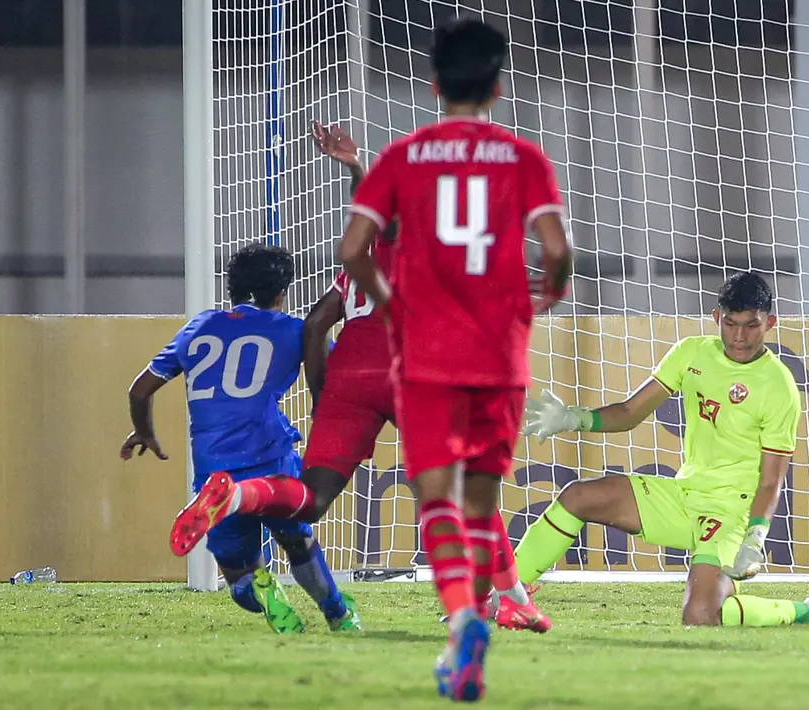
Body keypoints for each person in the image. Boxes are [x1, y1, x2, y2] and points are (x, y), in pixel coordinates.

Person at [170, 119, 553, 638]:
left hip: (351, 369)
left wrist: (324, 395)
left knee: (312, 496)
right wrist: (354, 168)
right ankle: (509, 600)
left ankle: (236, 496)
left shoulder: (355, 271)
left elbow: (316, 323)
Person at [341, 17, 571, 702]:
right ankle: (471, 625)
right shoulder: (524, 158)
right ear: (497, 87)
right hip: (499, 355)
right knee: (479, 503)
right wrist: (548, 296)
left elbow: (354, 249)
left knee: (433, 496)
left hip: (427, 353)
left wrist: (390, 307)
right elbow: (556, 250)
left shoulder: (403, 157)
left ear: (434, 83)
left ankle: (463, 623)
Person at [513, 272, 809, 629]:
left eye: (751, 325)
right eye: (731, 323)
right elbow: (630, 412)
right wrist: (574, 418)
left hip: (727, 512)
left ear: (770, 323)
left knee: (700, 616)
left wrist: (754, 536)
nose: (739, 337)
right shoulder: (691, 354)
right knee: (577, 496)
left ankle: (808, 611)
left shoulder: (779, 386)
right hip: (683, 495)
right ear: (717, 318)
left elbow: (771, 479)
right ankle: (508, 597)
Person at [124, 243, 360, 634]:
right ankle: (337, 612)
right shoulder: (294, 331)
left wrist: (144, 431)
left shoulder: (198, 327)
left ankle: (265, 592)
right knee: (297, 540)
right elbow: (337, 372)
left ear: (231, 287)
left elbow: (139, 390)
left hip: (214, 470)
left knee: (237, 575)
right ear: (281, 292)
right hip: (271, 460)